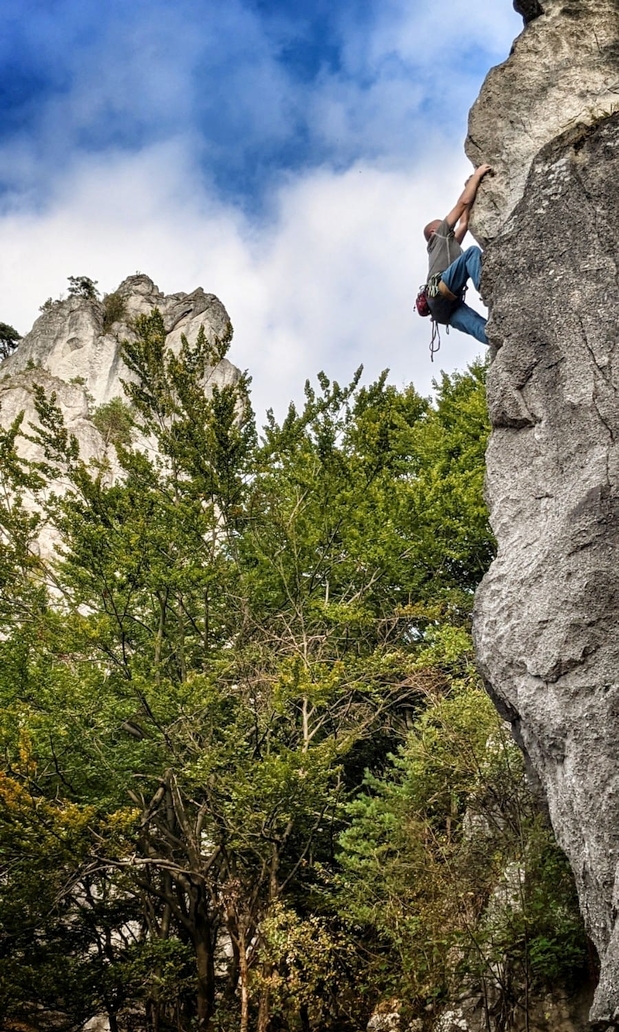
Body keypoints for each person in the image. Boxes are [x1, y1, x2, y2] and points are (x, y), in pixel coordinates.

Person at [424, 163, 493, 344]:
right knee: (471, 253)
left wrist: (467, 187)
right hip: (440, 290)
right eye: (443, 222)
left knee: (486, 331)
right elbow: (461, 204)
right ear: (434, 231)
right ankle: (488, 288)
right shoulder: (438, 235)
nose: (447, 224)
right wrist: (477, 176)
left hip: (444, 310)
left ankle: (501, 341)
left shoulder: (447, 244)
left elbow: (464, 222)